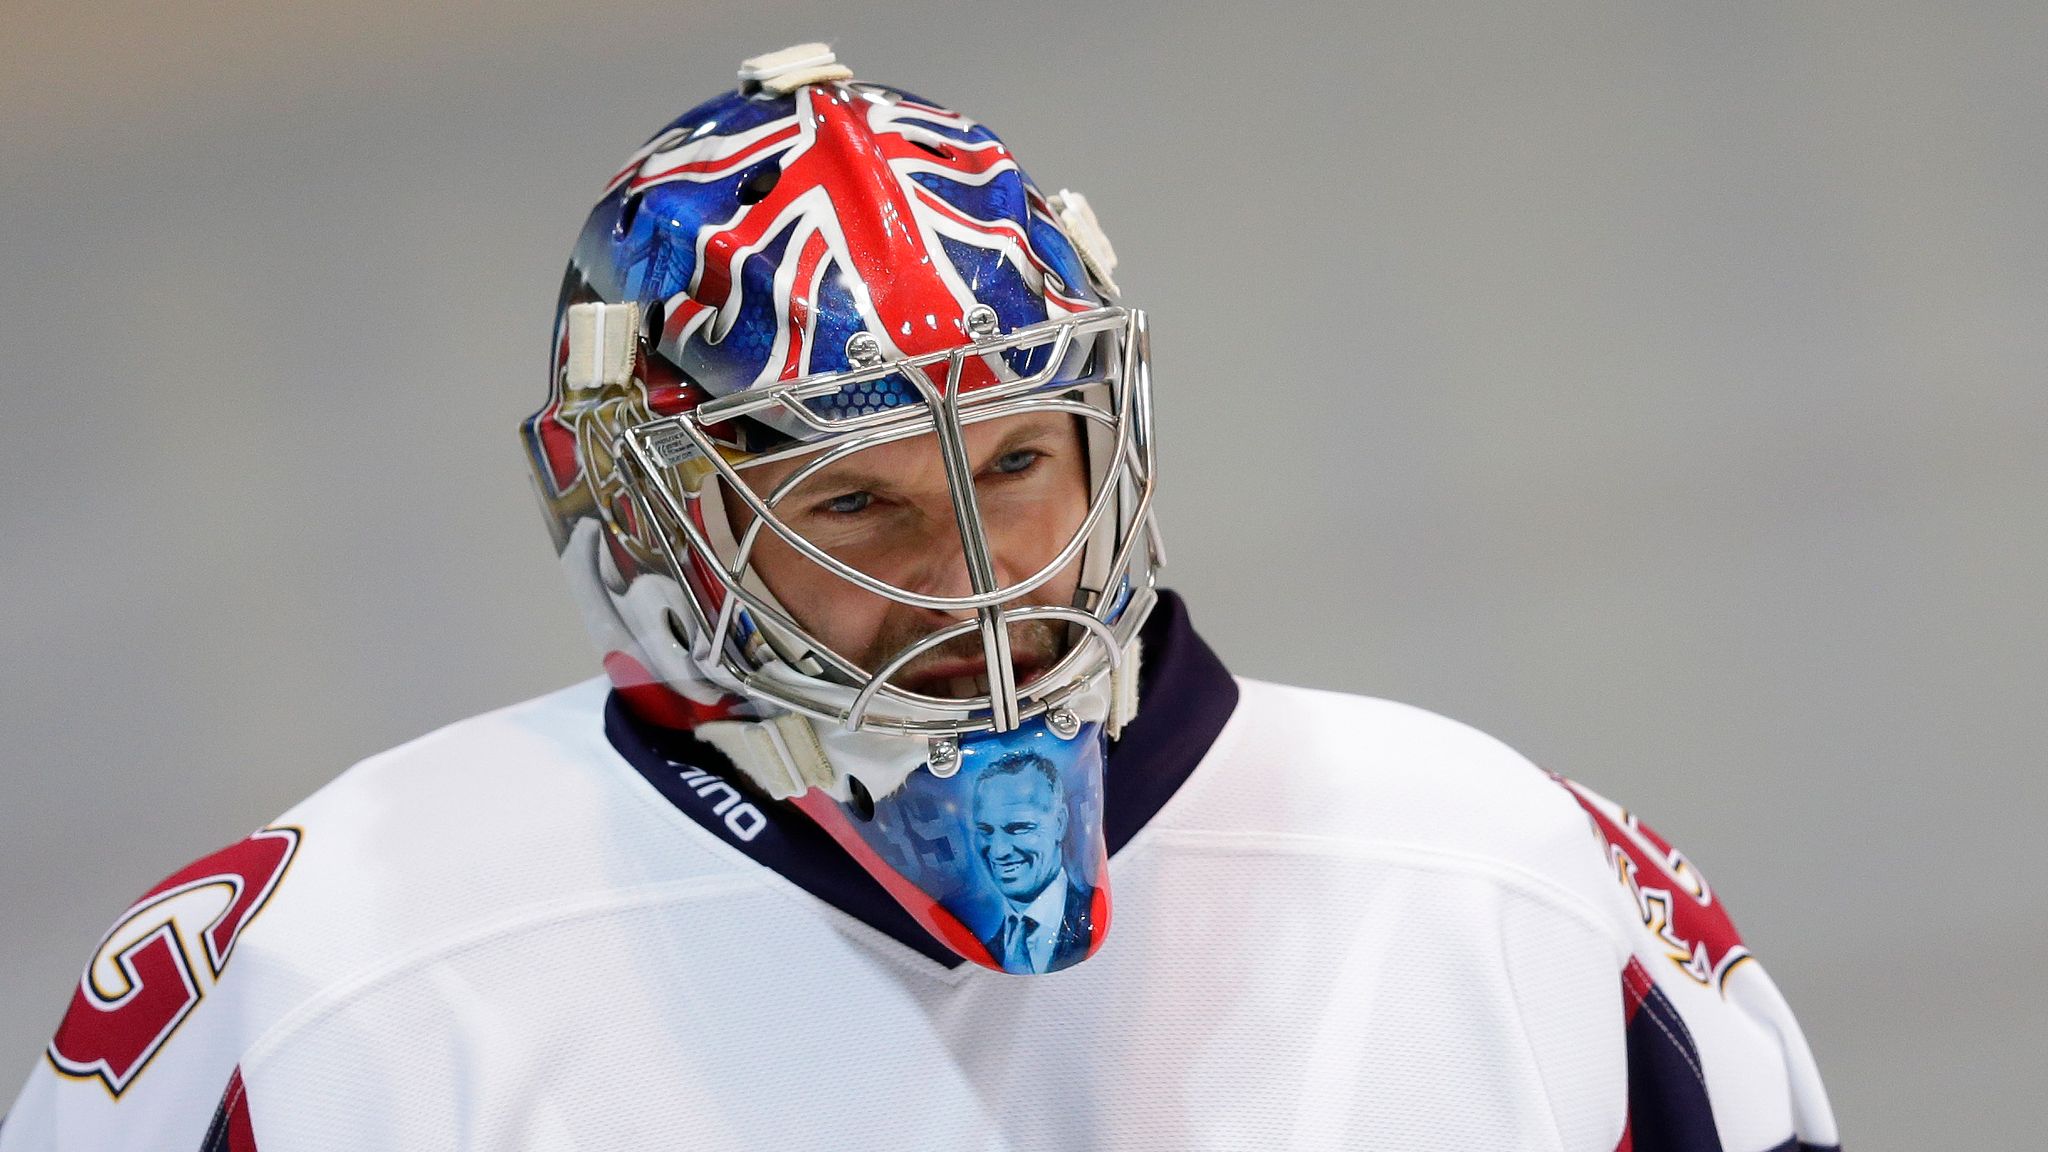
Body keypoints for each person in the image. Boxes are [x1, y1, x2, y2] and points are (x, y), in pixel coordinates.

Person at [1, 43, 1840, 1151]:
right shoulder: (342, 973)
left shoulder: (1492, 872)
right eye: (856, 501)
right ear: (658, 528)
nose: (967, 576)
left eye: (1013, 465)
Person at [970, 752, 1097, 974]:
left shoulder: (1091, 915)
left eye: (1018, 828)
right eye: (985, 831)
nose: (999, 850)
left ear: (1059, 824)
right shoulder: (989, 948)